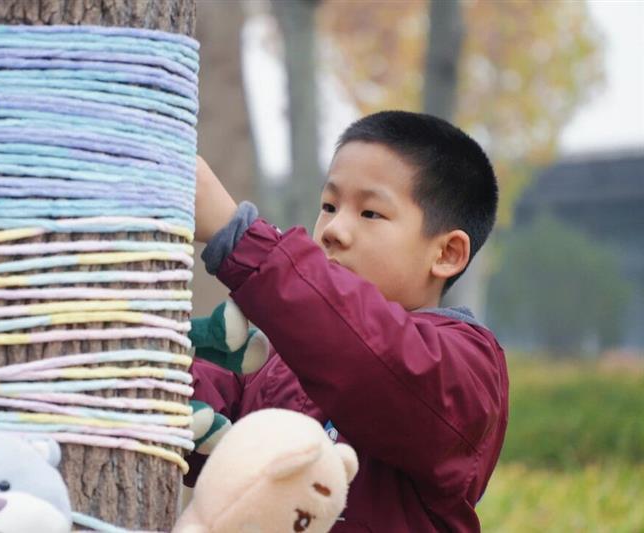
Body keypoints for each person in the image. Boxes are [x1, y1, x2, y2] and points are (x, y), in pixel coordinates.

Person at [187, 110, 509, 532]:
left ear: (446, 254)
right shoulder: (276, 364)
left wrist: (238, 238)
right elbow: (211, 422)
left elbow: (371, 356)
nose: (332, 230)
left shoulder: (464, 369)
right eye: (329, 205)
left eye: (370, 213)